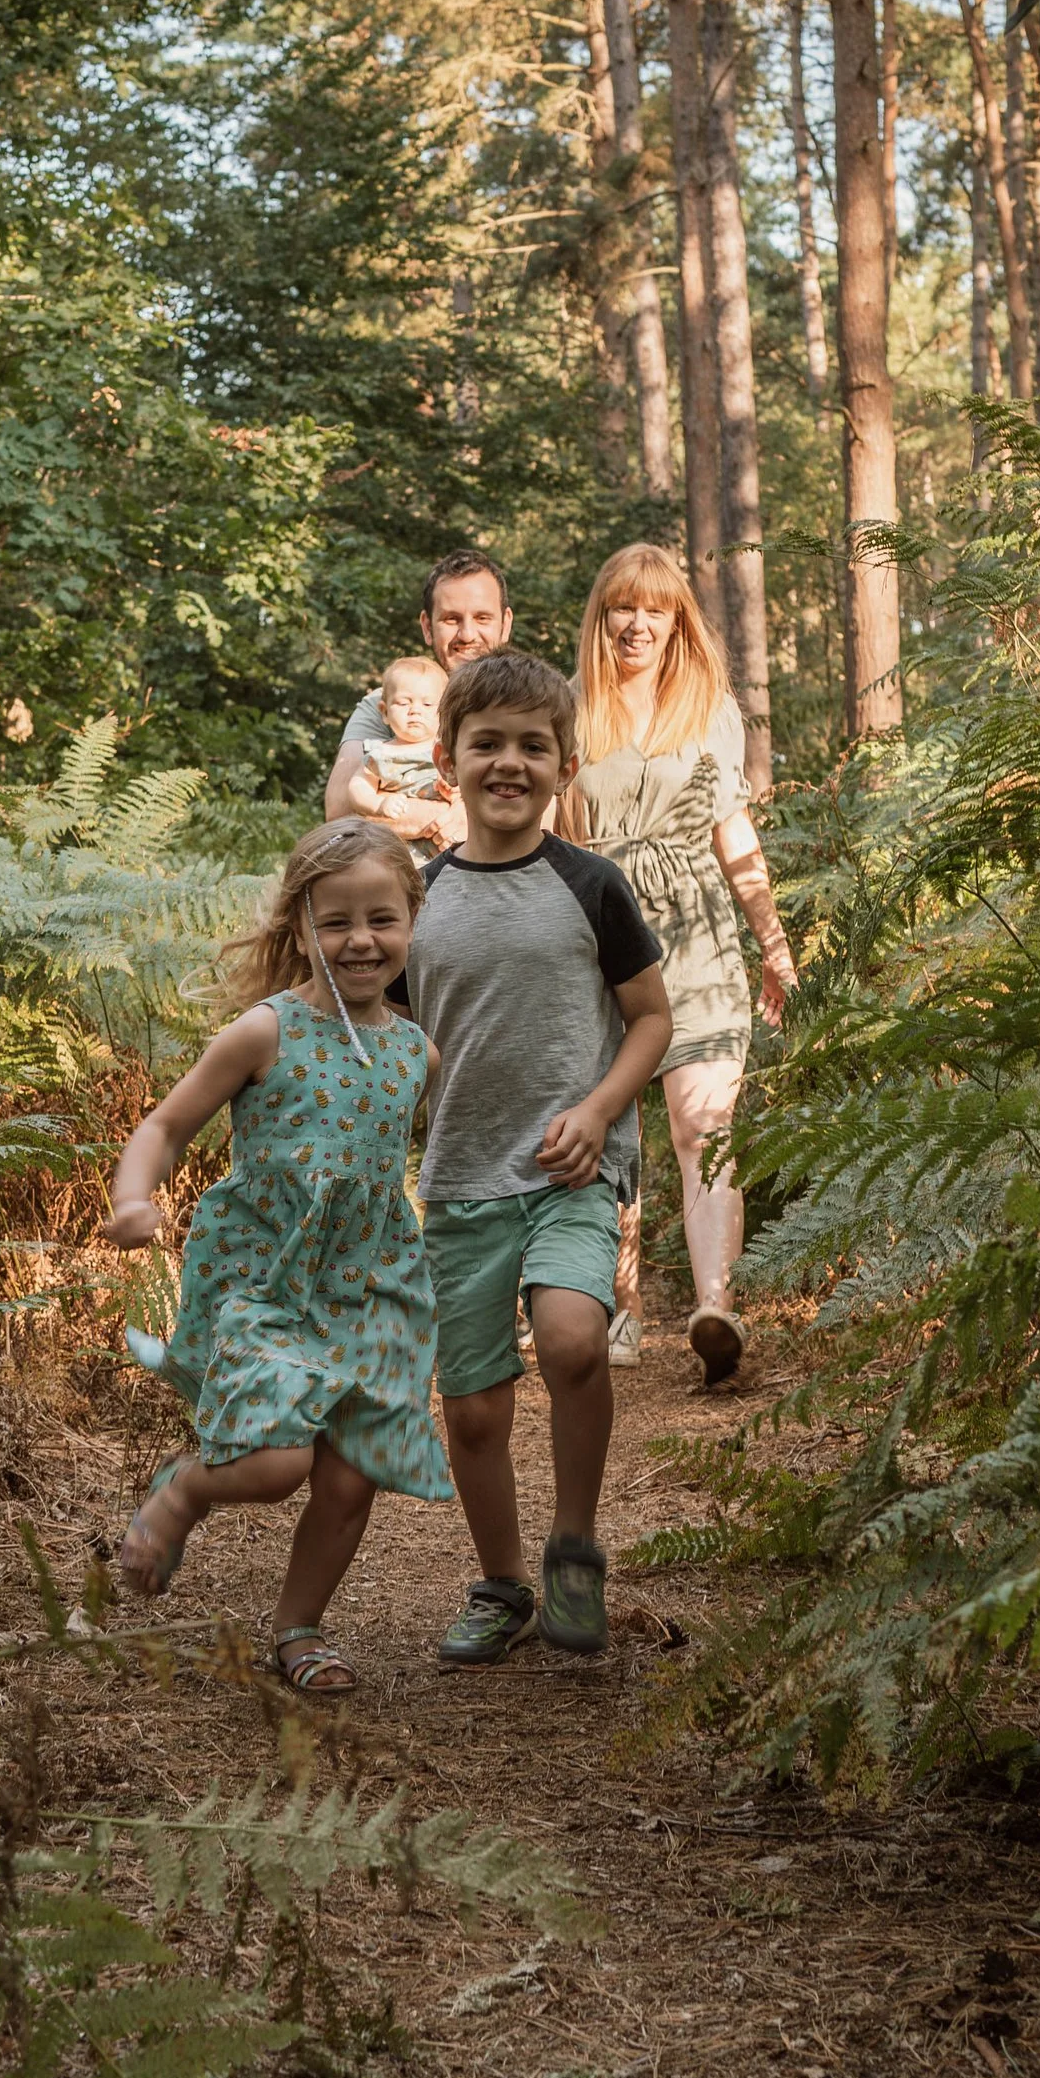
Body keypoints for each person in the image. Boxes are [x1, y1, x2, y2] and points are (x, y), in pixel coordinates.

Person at [94, 822, 450, 1696]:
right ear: (301, 928)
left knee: (349, 1474)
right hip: (268, 1276)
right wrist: (133, 1198)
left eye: (382, 919)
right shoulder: (264, 1032)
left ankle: (299, 1628)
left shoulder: (417, 1051)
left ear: (412, 922)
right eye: (336, 923)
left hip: (371, 1284)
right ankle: (182, 1491)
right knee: (278, 1462)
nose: (361, 941)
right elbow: (165, 1127)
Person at [407, 648, 673, 1665]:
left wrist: (601, 1110)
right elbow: (388, 1045)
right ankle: (501, 1582)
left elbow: (649, 1019)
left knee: (570, 1341)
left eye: (532, 745)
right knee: (471, 1405)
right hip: (462, 1179)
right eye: (487, 745)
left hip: (572, 1170)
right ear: (448, 762)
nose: (508, 763)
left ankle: (574, 1547)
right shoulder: (416, 895)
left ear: (565, 764)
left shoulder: (589, 885)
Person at [571, 543, 797, 1387]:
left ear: (676, 622)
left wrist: (772, 940)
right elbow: (558, 835)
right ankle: (619, 1314)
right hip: (599, 937)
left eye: (655, 610)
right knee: (608, 1132)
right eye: (623, 608)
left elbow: (733, 835)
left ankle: (714, 1307)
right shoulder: (572, 709)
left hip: (699, 936)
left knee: (704, 1130)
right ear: (604, 617)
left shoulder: (710, 709)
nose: (638, 624)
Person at [324, 548, 512, 837]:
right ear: (427, 627)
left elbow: (545, 816)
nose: (467, 634)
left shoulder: (528, 707)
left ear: (505, 624)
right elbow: (339, 812)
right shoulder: (386, 703)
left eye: (483, 618)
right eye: (451, 619)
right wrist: (460, 818)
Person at [354, 654, 457, 850]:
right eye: (403, 703)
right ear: (384, 712)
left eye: (427, 704)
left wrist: (456, 791)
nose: (415, 711)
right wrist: (378, 804)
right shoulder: (381, 753)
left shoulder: (449, 750)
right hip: (396, 848)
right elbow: (358, 786)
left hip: (447, 846)